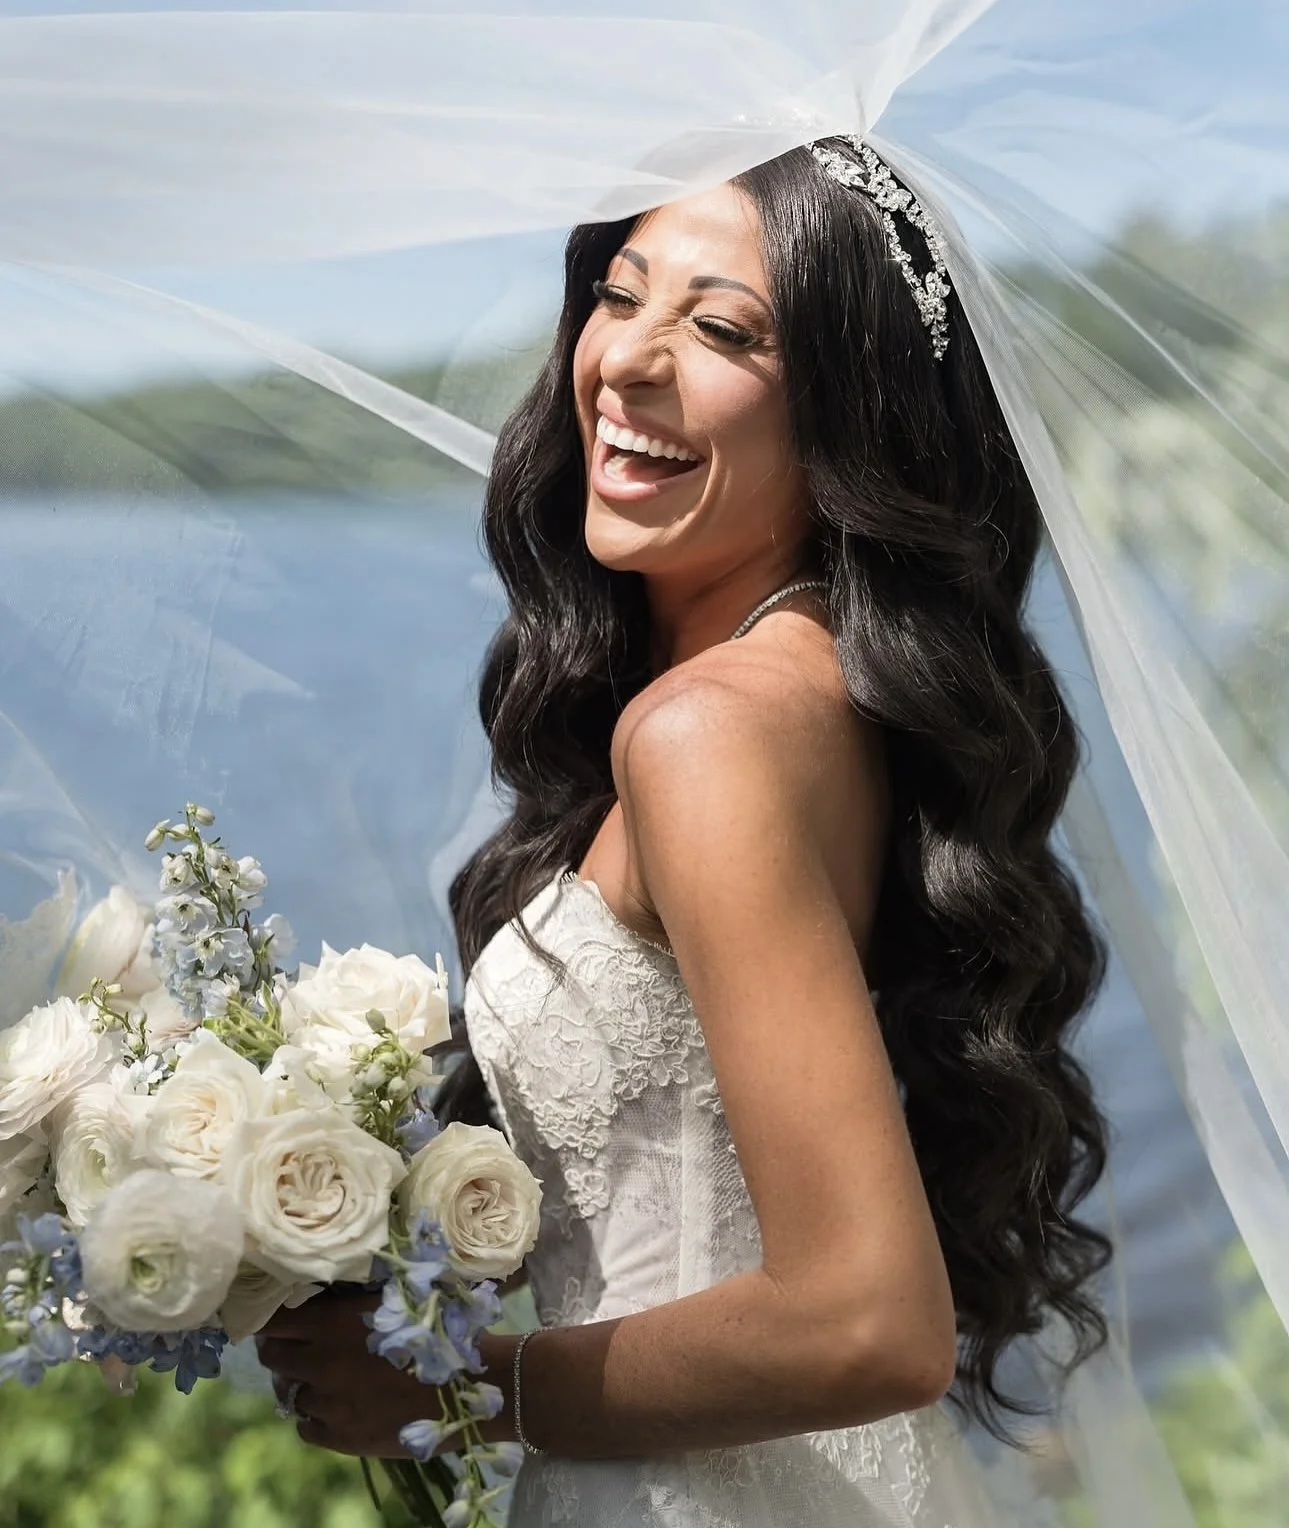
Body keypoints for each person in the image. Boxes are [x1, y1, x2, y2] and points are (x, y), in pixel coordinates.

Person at [258, 136, 1112, 1526]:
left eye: (723, 329)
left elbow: (870, 1322)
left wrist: (466, 1389)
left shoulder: (708, 735)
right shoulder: (823, 692)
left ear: (852, 414)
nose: (629, 362)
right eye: (620, 293)